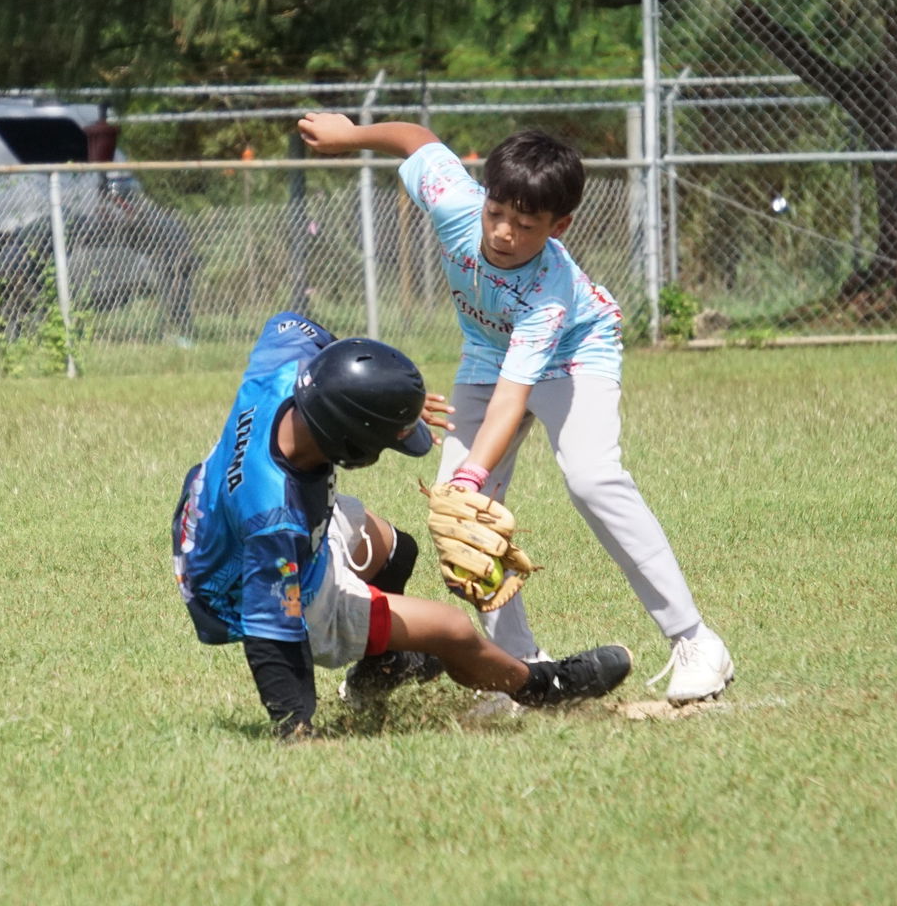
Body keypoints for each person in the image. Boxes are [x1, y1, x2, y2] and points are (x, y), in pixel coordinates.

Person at [296, 114, 735, 705]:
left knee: (591, 477)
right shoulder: (456, 204)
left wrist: (474, 475)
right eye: (496, 213)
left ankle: (695, 640)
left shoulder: (548, 289)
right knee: (464, 519)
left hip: (575, 353)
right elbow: (419, 141)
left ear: (560, 226)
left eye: (526, 225)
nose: (503, 232)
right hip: (486, 351)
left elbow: (514, 394)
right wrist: (350, 137)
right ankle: (521, 667)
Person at [171, 311, 635, 738]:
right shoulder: (275, 521)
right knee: (450, 630)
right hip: (242, 592)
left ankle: (380, 668)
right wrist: (297, 729)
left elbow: (288, 324)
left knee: (395, 548)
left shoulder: (281, 370)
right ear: (349, 448)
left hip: (208, 520)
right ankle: (540, 685)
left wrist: (384, 394)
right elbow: (269, 631)